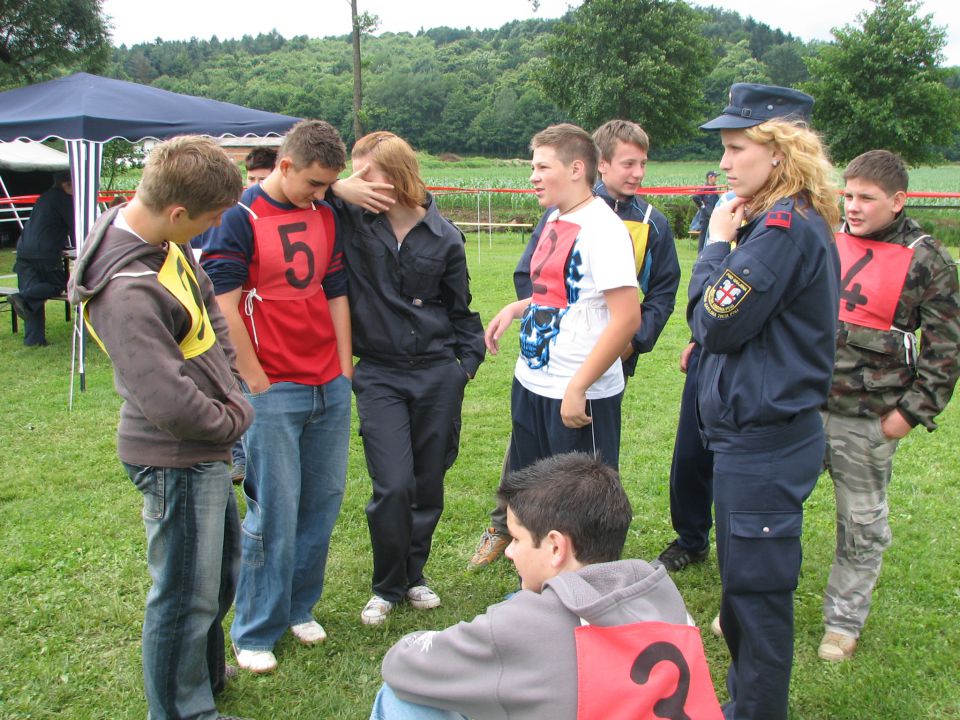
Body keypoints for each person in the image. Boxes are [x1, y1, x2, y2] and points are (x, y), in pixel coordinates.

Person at [66, 136, 253, 720]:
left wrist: (232, 385)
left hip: (207, 448)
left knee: (218, 581)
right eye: (212, 218)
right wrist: (234, 417)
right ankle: (181, 710)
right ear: (178, 213)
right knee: (182, 599)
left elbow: (210, 314)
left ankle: (203, 679)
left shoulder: (161, 241)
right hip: (175, 455)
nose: (215, 227)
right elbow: (167, 400)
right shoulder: (125, 291)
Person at [690, 83, 841, 719]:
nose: (723, 163)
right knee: (743, 598)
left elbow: (713, 323)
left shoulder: (779, 230)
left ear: (778, 153)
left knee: (756, 601)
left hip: (765, 445)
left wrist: (716, 244)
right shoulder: (786, 221)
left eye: (734, 147)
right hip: (758, 441)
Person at [470, 119, 679, 569]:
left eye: (543, 166)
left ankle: (586, 591)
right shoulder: (557, 217)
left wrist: (579, 385)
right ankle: (538, 583)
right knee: (531, 487)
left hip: (575, 389)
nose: (533, 176)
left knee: (581, 501)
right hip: (534, 379)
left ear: (577, 168)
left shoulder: (603, 230)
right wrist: (517, 307)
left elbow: (627, 317)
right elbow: (564, 293)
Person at [371, 452, 720, 720]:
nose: (509, 551)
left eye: (517, 538)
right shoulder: (662, 592)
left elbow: (402, 665)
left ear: (555, 547)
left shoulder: (527, 626)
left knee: (400, 698)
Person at [201, 119, 354, 674]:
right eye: (314, 183)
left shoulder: (326, 213)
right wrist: (254, 378)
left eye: (327, 186)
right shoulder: (238, 219)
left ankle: (298, 606)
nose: (321, 193)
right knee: (273, 511)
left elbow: (336, 291)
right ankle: (255, 628)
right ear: (284, 166)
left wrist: (342, 369)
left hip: (327, 384)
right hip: (273, 387)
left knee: (321, 503)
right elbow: (224, 301)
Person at [331, 131, 485, 625]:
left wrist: (464, 368)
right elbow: (286, 190)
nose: (358, 183)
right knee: (392, 485)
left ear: (395, 176)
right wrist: (339, 189)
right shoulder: (351, 220)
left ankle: (413, 576)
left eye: (365, 174)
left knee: (427, 483)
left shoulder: (444, 236)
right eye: (353, 176)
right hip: (378, 374)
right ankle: (385, 585)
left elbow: (462, 311)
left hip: (438, 373)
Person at [818, 149, 960, 662]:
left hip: (867, 420)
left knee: (860, 523)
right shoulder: (822, 236)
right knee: (772, 508)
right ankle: (752, 601)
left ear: (899, 201)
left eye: (866, 199)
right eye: (847, 195)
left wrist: (906, 415)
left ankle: (843, 622)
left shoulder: (929, 260)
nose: (852, 207)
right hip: (801, 408)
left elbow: (947, 349)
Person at [227, 146, 279, 485]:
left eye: (263, 180)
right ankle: (237, 457)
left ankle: (244, 458)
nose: (255, 187)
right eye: (252, 180)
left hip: (268, 343)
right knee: (233, 392)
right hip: (236, 333)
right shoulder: (235, 218)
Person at [9, 171, 74, 346]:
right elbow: (76, 225)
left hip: (24, 250)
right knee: (59, 285)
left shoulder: (44, 198)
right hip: (44, 252)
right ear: (65, 184)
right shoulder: (63, 200)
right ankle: (21, 297)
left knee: (33, 291)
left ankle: (33, 340)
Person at [688, 170, 720, 235]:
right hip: (705, 218)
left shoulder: (714, 189)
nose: (716, 179)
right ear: (710, 177)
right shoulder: (704, 188)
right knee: (703, 239)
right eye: (715, 177)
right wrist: (702, 207)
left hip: (714, 217)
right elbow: (695, 197)